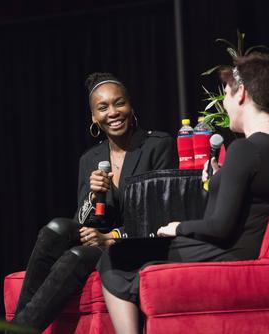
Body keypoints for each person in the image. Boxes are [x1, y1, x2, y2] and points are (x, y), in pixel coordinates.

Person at [98, 53, 269, 334]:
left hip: (229, 252)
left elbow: (219, 227)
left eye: (225, 93)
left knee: (114, 258)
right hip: (244, 246)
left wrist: (178, 227)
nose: (224, 103)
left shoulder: (245, 149)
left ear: (242, 95)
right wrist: (218, 178)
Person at [12, 72, 178, 330]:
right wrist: (93, 196)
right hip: (99, 241)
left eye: (119, 103)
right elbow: (82, 221)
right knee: (56, 228)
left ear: (130, 105)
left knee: (76, 256)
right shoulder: (91, 158)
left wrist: (110, 237)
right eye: (103, 107)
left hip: (138, 244)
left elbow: (157, 216)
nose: (113, 112)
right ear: (94, 117)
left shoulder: (157, 145)